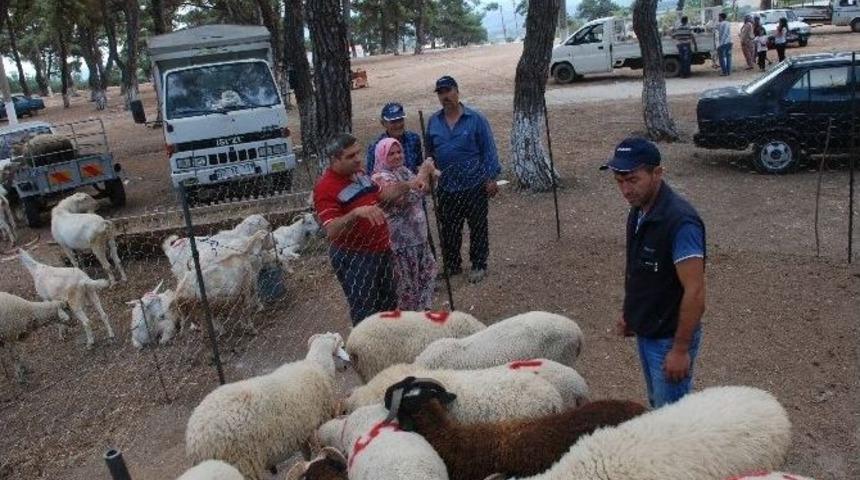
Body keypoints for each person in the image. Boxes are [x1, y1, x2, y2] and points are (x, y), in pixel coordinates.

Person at [601, 137, 706, 408]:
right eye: (619, 181)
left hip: (669, 336)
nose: (625, 190)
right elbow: (639, 270)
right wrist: (631, 313)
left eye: (632, 180)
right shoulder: (639, 211)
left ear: (657, 173)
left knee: (672, 415)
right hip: (648, 330)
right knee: (658, 403)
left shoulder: (681, 222)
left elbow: (695, 291)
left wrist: (680, 349)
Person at [313, 133, 399, 325]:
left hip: (381, 250)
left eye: (358, 153)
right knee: (366, 312)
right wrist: (355, 213)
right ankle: (367, 344)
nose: (358, 159)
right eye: (351, 156)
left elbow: (383, 195)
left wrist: (410, 184)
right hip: (356, 257)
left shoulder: (360, 174)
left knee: (389, 305)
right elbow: (331, 230)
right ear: (334, 159)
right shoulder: (325, 187)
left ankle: (389, 341)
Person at [425, 75, 501, 284]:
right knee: (449, 228)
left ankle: (478, 264)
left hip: (474, 184)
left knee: (477, 226)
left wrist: (490, 178)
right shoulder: (433, 121)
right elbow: (429, 153)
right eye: (441, 93)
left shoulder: (475, 119)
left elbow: (488, 149)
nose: (445, 96)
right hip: (447, 186)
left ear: (457, 91)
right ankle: (452, 265)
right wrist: (430, 176)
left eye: (448, 91)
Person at [370, 138, 438, 310]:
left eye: (399, 152)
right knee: (407, 287)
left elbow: (423, 189)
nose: (397, 156)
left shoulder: (403, 171)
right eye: (391, 154)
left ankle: (424, 313)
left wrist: (429, 176)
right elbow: (402, 200)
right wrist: (422, 173)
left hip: (419, 238)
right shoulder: (379, 177)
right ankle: (410, 318)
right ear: (381, 156)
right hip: (400, 245)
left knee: (427, 275)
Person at [366, 102, 423, 174]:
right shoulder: (375, 146)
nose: (398, 125)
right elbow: (371, 174)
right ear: (383, 123)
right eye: (393, 122)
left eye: (400, 120)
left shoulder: (413, 139)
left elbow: (418, 165)